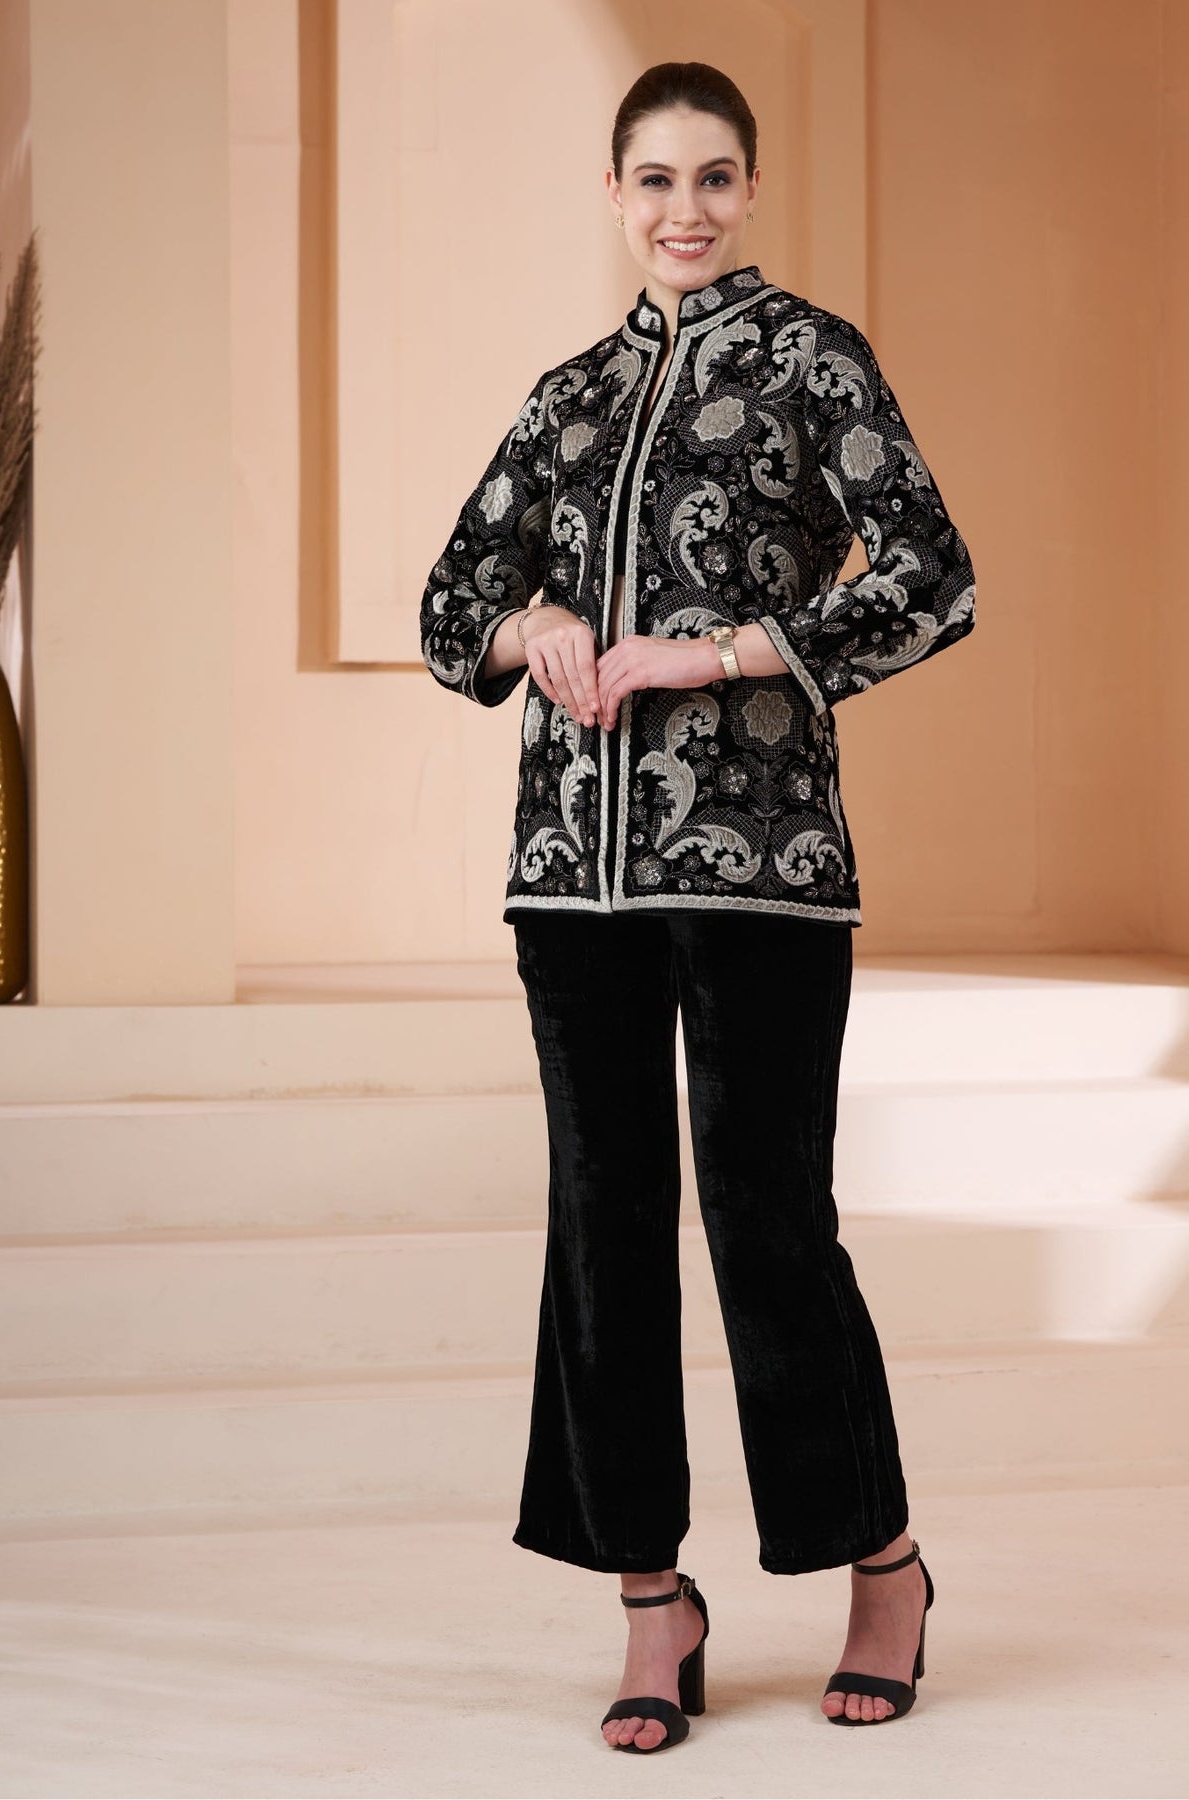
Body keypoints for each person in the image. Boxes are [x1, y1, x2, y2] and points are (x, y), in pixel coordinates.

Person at [420, 61, 973, 1751]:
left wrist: (718, 653)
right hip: (568, 874)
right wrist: (536, 630)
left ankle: (884, 1568)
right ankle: (652, 1602)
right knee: (601, 1234)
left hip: (764, 870)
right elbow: (452, 605)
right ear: (614, 193)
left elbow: (932, 578)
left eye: (714, 177)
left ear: (750, 188)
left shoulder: (813, 360)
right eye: (655, 179)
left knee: (767, 1218)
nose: (685, 209)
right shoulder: (569, 396)